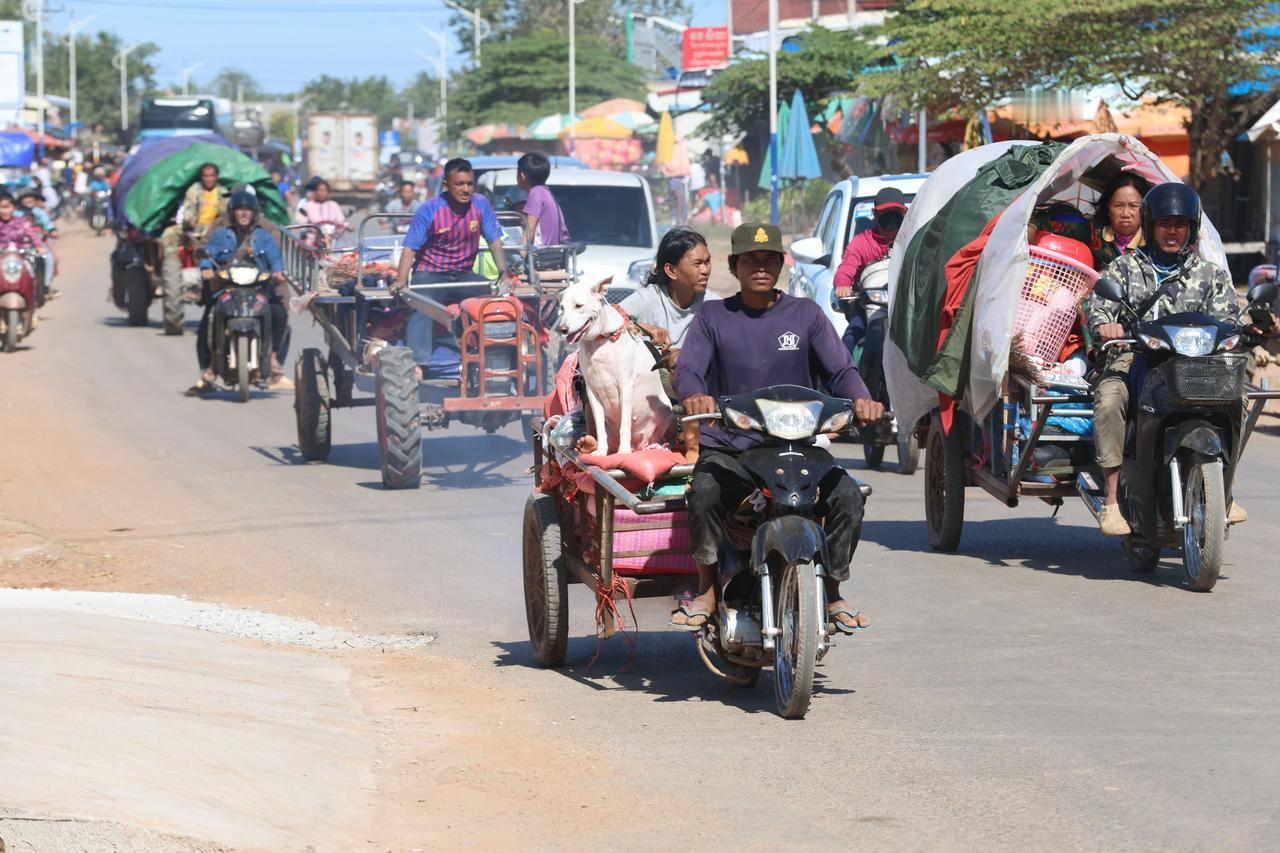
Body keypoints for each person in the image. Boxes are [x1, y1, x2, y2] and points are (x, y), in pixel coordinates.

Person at [672, 222, 883, 633]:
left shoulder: (806, 314)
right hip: (732, 448)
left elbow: (840, 370)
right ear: (735, 266)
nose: (761, 267)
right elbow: (690, 370)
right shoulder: (714, 316)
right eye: (751, 260)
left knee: (848, 498)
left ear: (781, 265)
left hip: (797, 447)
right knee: (704, 490)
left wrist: (862, 399)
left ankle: (833, 591)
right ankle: (707, 589)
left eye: (769, 259)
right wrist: (695, 396)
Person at [1089, 182, 1277, 535]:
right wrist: (1106, 326)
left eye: (1180, 224)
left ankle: (1225, 487)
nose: (1172, 231)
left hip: (1195, 364)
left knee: (1237, 395)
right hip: (1135, 356)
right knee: (1110, 398)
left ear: (1191, 228)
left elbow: (1228, 321)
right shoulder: (1125, 269)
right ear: (1151, 225)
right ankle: (1112, 501)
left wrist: (1251, 328)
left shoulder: (1211, 274)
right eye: (1164, 223)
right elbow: (1098, 310)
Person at [391, 157, 512, 374]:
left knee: (495, 300)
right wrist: (400, 282)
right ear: (446, 185)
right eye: (459, 184)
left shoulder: (481, 204)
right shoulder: (429, 210)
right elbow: (410, 248)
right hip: (430, 274)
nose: (466, 189)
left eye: (469, 184)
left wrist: (505, 275)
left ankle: (497, 354)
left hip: (464, 275)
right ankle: (419, 364)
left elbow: (494, 241)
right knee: (421, 303)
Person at [187, 190, 293, 396]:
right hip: (228, 287)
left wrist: (278, 272)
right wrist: (206, 268)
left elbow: (275, 259)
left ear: (255, 213)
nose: (243, 214)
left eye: (248, 210)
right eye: (239, 209)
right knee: (209, 319)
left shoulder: (264, 235)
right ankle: (209, 369)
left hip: (258, 288)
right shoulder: (220, 233)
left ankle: (271, 359)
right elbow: (207, 254)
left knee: (278, 313)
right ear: (232, 212)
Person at [833, 187, 907, 354]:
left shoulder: (913, 239)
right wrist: (842, 284)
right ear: (875, 214)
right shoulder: (861, 242)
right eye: (886, 212)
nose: (892, 216)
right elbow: (846, 268)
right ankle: (845, 379)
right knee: (847, 343)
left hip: (908, 307)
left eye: (896, 211)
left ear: (905, 213)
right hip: (869, 309)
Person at [620, 226, 718, 350]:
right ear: (671, 271)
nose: (705, 270)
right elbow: (607, 320)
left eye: (707, 262)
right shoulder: (648, 299)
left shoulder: (713, 306)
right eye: (697, 264)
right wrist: (643, 328)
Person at [159, 163, 228, 336]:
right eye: (205, 176)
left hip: (216, 230)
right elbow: (189, 210)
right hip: (195, 229)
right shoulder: (194, 191)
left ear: (216, 177)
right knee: (168, 234)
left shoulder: (223, 192)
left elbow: (228, 212)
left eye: (212, 176)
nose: (209, 179)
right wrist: (191, 223)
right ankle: (172, 265)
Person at [1092, 174, 1148, 269]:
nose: (1125, 214)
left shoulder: (1152, 244)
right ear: (1108, 207)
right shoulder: (1093, 234)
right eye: (1118, 205)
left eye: (1133, 206)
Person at [516, 152, 569, 248]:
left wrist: (519, 258)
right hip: (553, 255)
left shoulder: (536, 194)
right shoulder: (546, 193)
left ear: (522, 176)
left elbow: (529, 232)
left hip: (542, 257)